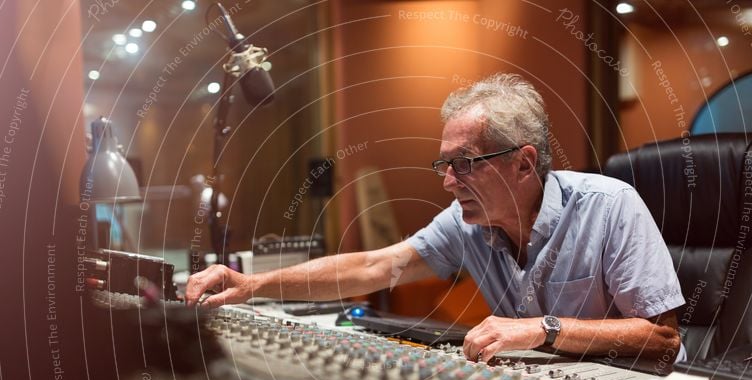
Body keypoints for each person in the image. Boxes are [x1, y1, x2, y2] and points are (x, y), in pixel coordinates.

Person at [186, 73, 685, 364]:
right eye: (444, 164)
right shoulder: (465, 221)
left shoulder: (610, 204)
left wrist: (544, 328)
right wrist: (251, 284)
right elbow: (376, 268)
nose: (448, 181)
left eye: (464, 164)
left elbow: (663, 338)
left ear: (523, 163)